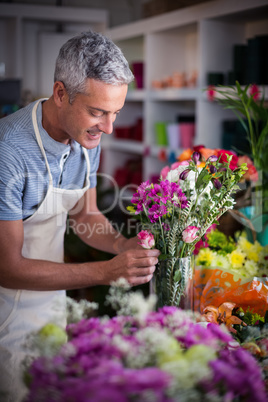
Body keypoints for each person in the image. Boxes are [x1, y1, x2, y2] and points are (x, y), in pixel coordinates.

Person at [0, 30, 159, 402]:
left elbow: (85, 214)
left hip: (50, 305)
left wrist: (122, 244)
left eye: (115, 113)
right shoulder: (8, 152)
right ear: (60, 94)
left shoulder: (86, 141)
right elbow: (6, 266)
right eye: (98, 112)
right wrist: (107, 271)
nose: (109, 128)